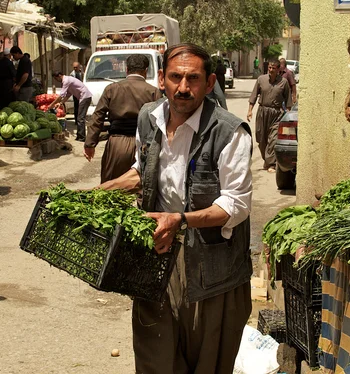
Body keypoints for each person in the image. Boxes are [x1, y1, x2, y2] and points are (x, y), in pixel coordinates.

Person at [100, 43, 253, 373]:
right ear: (161, 79)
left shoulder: (229, 132)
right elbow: (143, 170)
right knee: (155, 354)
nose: (183, 88)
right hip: (157, 252)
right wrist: (102, 191)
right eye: (175, 77)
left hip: (213, 267)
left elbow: (236, 204)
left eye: (193, 79)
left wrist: (180, 220)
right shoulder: (149, 118)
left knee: (206, 359)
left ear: (209, 83)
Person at [84, 54, 161, 183]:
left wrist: (90, 144)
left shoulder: (111, 89)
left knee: (111, 188)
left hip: (117, 144)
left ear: (126, 69)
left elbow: (98, 116)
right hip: (144, 145)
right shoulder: (154, 92)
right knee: (145, 188)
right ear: (146, 71)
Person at [247, 59, 292, 173]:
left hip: (276, 114)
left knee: (273, 139)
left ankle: (271, 163)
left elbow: (288, 101)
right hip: (262, 112)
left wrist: (288, 115)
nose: (271, 70)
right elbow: (253, 96)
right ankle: (267, 160)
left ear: (278, 70)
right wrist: (250, 111)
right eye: (269, 68)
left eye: (273, 68)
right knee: (261, 139)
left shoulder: (284, 82)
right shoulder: (261, 79)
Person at [49, 72, 92, 141]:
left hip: (85, 97)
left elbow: (61, 95)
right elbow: (68, 95)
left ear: (59, 76)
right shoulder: (67, 80)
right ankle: (79, 135)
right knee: (79, 117)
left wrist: (51, 105)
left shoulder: (66, 81)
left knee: (80, 118)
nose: (56, 80)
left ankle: (82, 137)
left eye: (56, 78)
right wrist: (60, 103)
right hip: (83, 98)